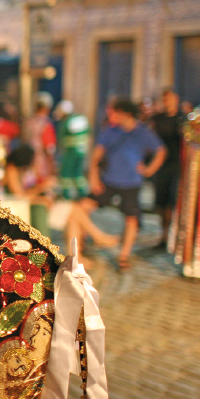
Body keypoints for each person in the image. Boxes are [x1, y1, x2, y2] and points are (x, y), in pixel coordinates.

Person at [81, 98, 165, 270]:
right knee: (82, 207)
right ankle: (84, 243)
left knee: (131, 219)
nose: (112, 115)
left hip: (131, 183)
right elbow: (95, 157)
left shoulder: (143, 132)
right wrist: (94, 178)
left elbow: (161, 151)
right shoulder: (110, 131)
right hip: (109, 181)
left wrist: (149, 170)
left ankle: (123, 256)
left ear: (126, 114)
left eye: (116, 112)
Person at [148, 89, 185, 248]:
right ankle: (164, 234)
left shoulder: (183, 119)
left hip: (177, 165)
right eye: (165, 99)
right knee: (161, 202)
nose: (168, 102)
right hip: (161, 166)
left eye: (170, 99)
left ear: (176, 100)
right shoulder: (156, 119)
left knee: (174, 201)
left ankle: (176, 235)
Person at [53, 100, 90, 200]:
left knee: (65, 174)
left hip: (70, 152)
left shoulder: (66, 122)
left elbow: (61, 139)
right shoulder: (81, 119)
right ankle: (83, 194)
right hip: (82, 152)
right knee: (78, 174)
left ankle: (66, 195)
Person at [22, 92, 56, 186]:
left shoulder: (28, 122)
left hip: (27, 162)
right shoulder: (46, 123)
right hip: (41, 164)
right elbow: (49, 148)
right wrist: (52, 166)